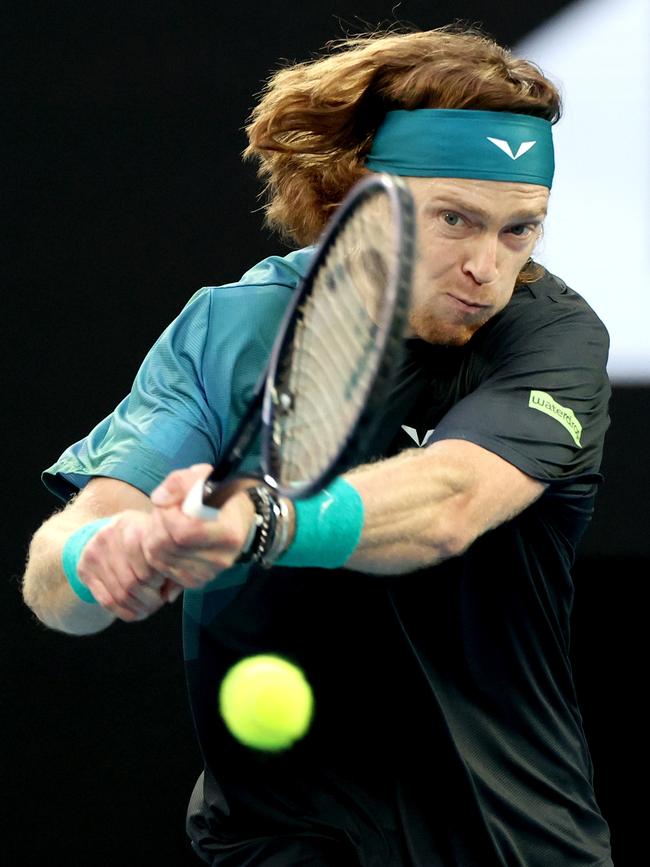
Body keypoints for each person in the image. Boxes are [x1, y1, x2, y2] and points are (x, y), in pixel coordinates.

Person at [22, 26, 614, 867]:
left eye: (519, 231)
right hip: (278, 836)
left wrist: (261, 521)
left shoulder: (551, 336)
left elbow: (448, 502)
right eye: (455, 219)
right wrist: (106, 555)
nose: (489, 265)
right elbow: (55, 582)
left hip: (504, 835)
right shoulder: (233, 325)